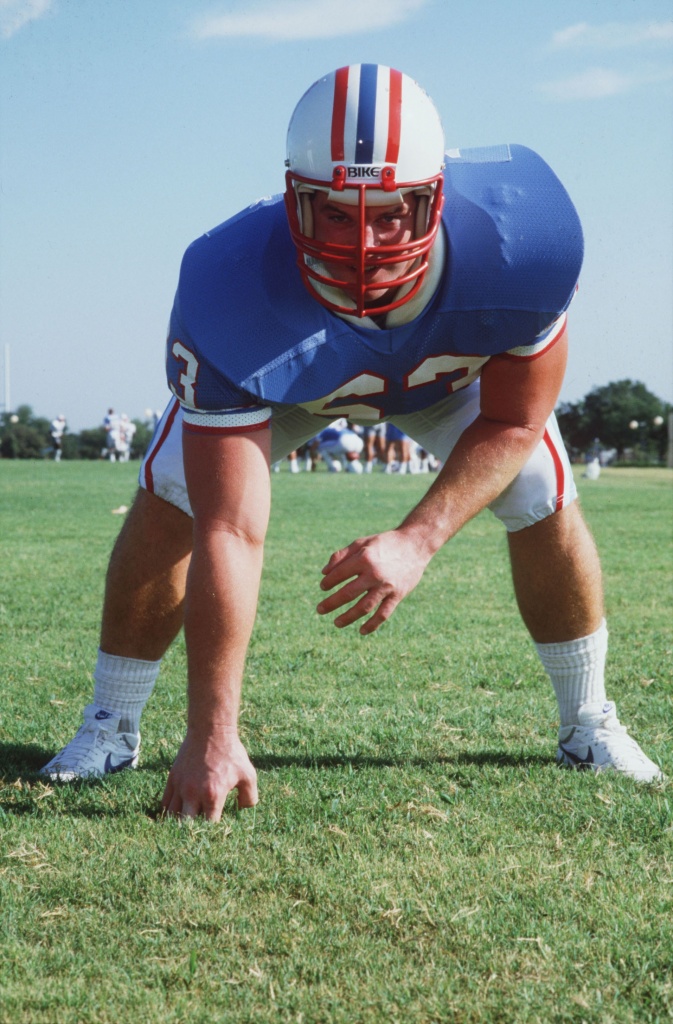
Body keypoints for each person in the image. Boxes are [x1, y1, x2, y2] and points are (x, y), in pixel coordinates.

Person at [40, 64, 663, 815]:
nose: (362, 243)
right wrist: (212, 731)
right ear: (292, 197)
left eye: (389, 213)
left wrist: (416, 539)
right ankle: (112, 721)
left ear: (434, 197)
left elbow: (513, 421)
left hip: (448, 379)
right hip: (294, 374)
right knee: (172, 488)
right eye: (333, 214)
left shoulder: (525, 239)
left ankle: (587, 719)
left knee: (539, 488)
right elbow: (232, 531)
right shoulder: (227, 281)